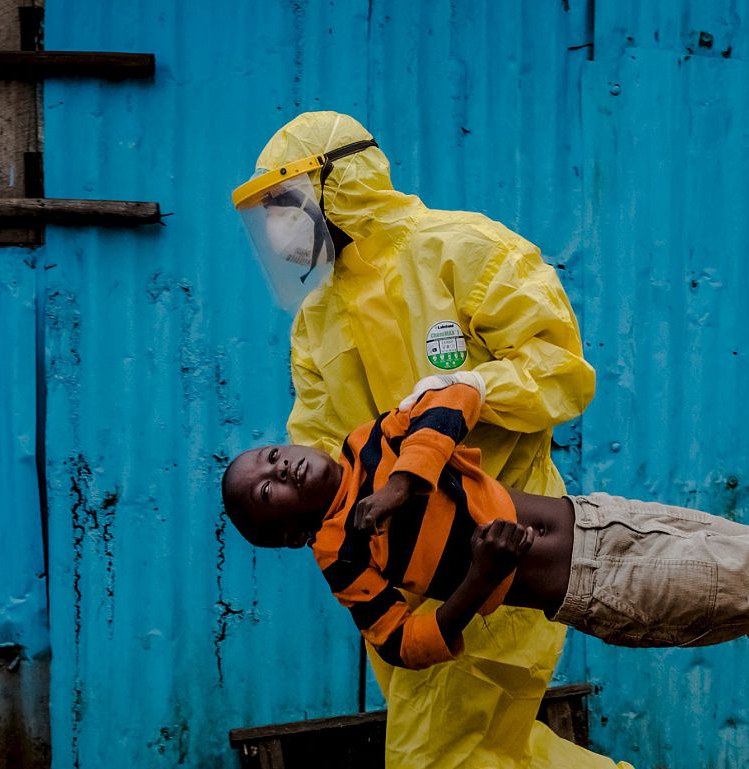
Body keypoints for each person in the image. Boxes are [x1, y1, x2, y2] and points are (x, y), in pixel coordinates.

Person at [220, 379, 749, 706]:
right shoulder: (346, 560)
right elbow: (405, 645)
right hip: (603, 589)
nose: (276, 465)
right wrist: (477, 579)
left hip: (605, 516)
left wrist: (403, 485)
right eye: (266, 488)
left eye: (266, 455)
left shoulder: (371, 443)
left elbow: (455, 396)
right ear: (289, 531)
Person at [230, 112, 600, 769]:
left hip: (498, 545)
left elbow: (561, 373)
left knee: (436, 757)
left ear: (334, 183)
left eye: (286, 207)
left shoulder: (464, 249)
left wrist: (471, 393)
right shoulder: (317, 318)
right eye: (269, 218)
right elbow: (316, 441)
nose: (281, 233)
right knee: (494, 753)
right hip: (401, 580)